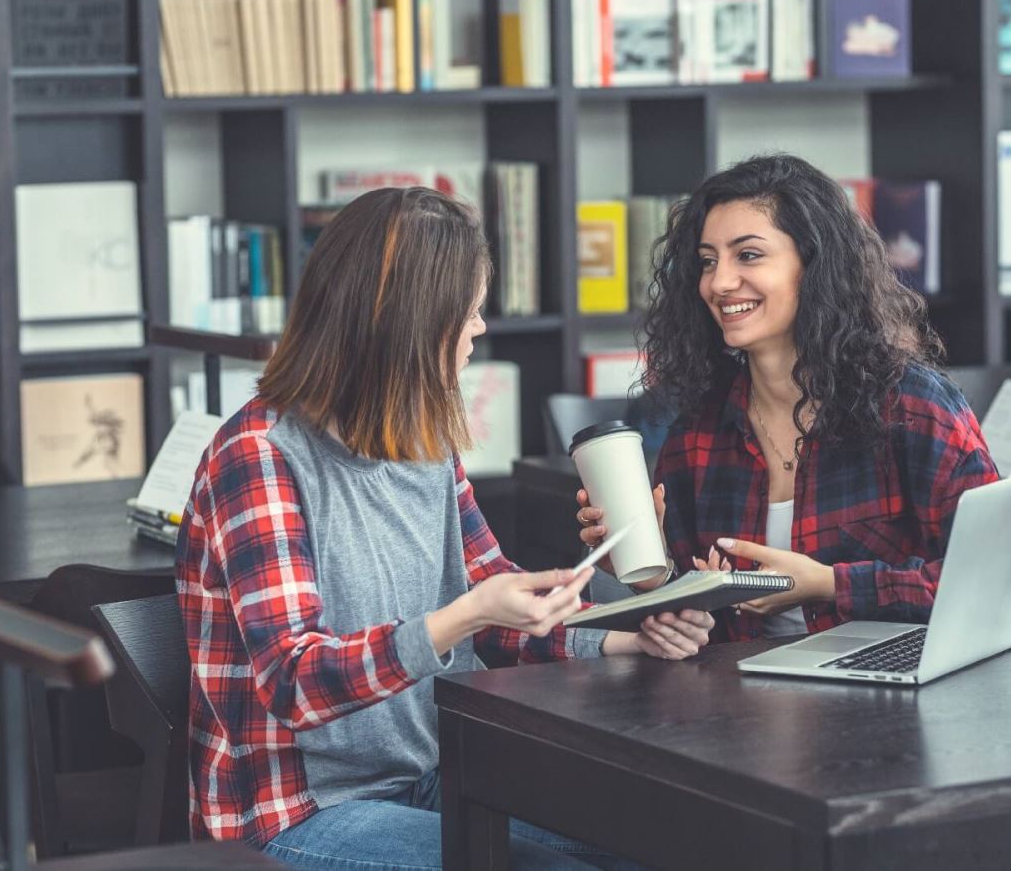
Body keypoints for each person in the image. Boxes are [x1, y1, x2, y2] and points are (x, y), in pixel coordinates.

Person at [176, 187, 713, 869]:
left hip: (430, 779)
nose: (480, 328)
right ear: (412, 322)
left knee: (661, 842)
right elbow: (294, 680)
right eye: (469, 310)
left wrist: (624, 640)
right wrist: (460, 617)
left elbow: (492, 601)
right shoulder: (258, 456)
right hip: (297, 816)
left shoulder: (422, 440)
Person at [578, 153, 999, 641]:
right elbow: (698, 620)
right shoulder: (697, 431)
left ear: (814, 265)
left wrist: (828, 584)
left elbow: (992, 582)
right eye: (708, 261)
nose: (719, 282)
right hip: (743, 698)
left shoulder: (914, 406)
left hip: (895, 696)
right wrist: (651, 575)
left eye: (749, 255)